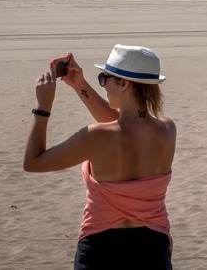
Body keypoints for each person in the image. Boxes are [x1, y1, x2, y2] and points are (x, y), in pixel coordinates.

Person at [23, 45, 177, 269]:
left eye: (104, 79)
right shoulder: (167, 130)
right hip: (152, 247)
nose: (102, 85)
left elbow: (33, 162)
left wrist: (43, 107)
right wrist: (80, 86)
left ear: (123, 83)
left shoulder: (96, 136)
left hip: (101, 249)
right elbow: (124, 126)